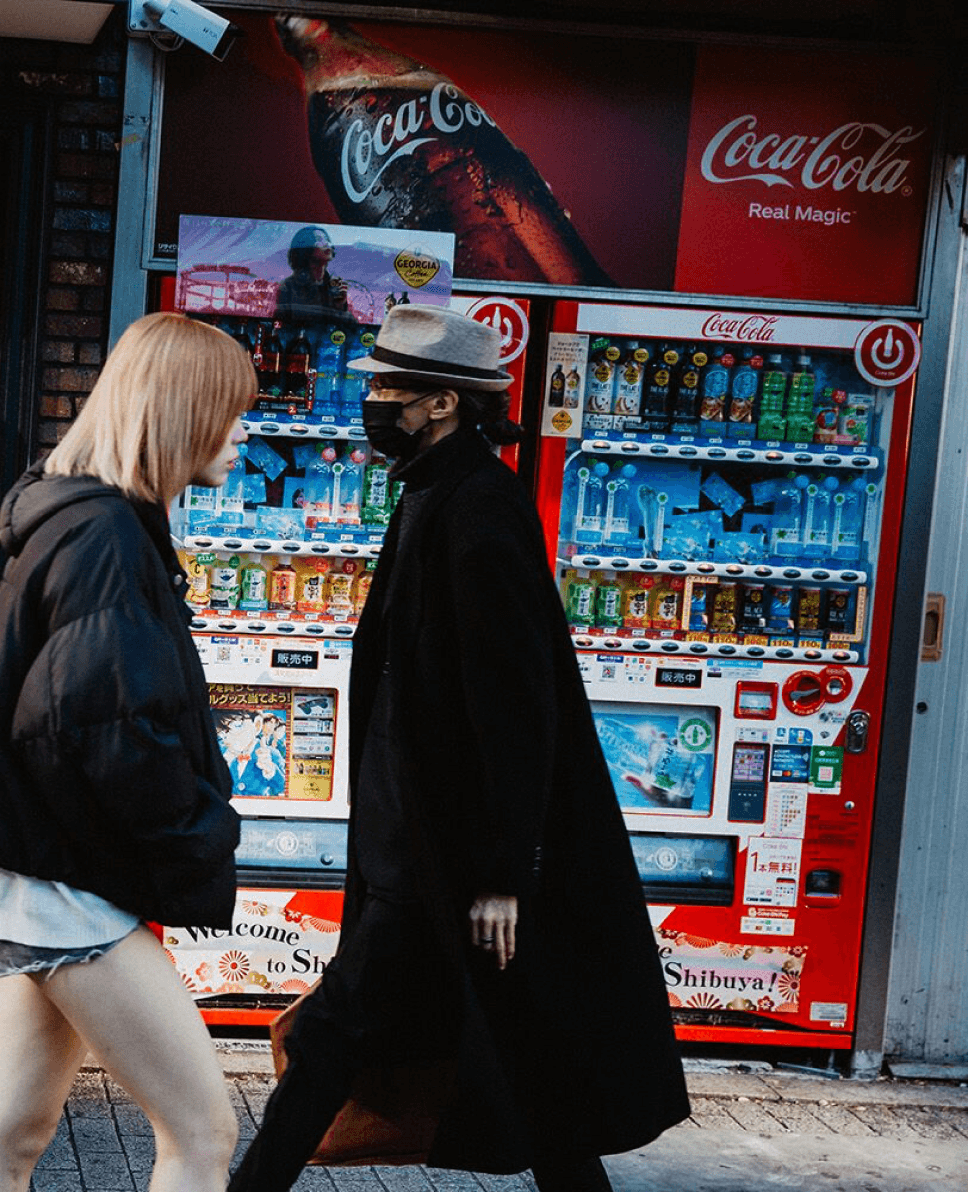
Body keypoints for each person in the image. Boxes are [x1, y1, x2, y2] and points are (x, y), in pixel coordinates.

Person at [229, 306, 689, 1192]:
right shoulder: (434, 490)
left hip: (438, 852)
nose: (372, 402)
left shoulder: (478, 509)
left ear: (442, 403)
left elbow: (515, 707)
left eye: (386, 388)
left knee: (335, 1037)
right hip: (417, 839)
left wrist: (504, 875)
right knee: (523, 1052)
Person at [0, 312, 254, 1192]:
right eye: (231, 412)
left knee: (14, 1131)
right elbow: (98, 728)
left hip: (33, 869)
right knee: (203, 1132)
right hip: (63, 889)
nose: (243, 433)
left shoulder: (83, 519)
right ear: (183, 412)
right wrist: (199, 835)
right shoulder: (107, 538)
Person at [272, 225, 354, 329]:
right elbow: (282, 323)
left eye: (327, 240)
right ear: (305, 249)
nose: (327, 244)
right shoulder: (289, 286)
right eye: (319, 240)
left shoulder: (335, 287)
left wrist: (340, 309)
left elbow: (346, 326)